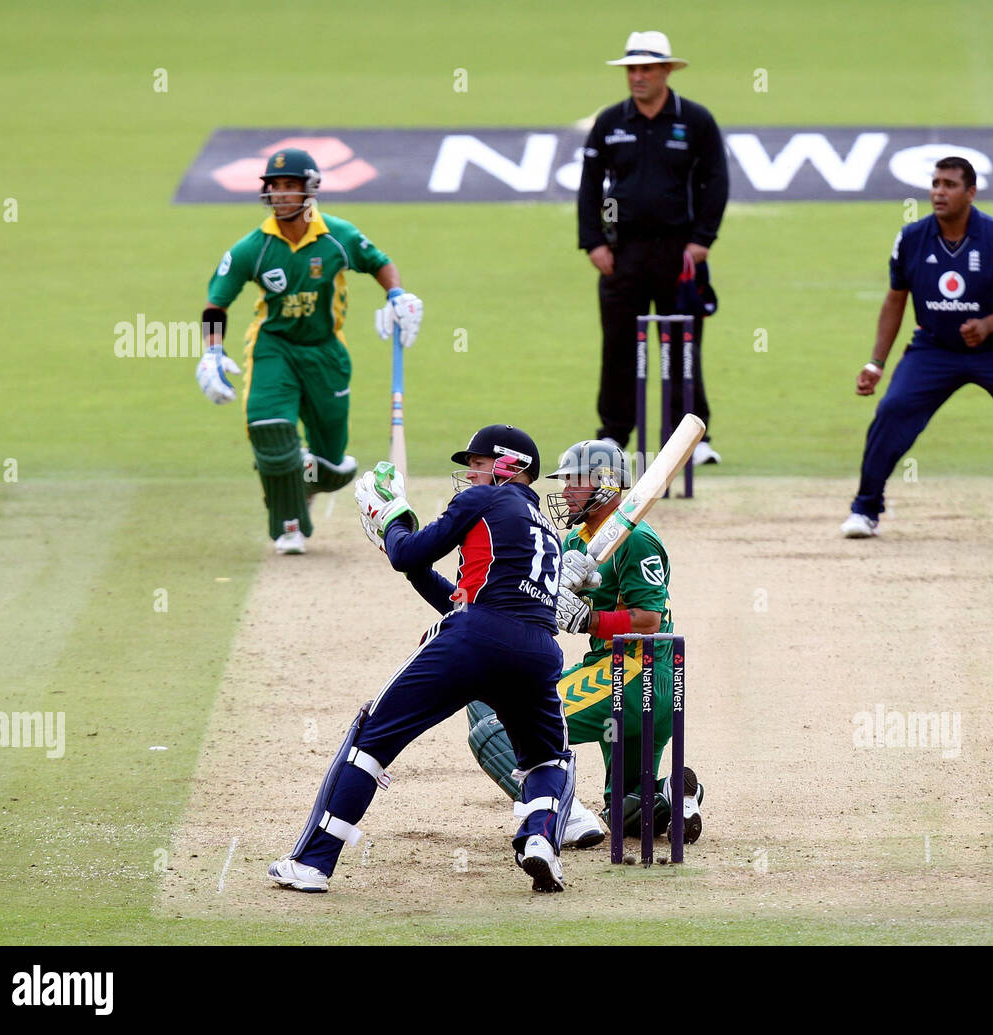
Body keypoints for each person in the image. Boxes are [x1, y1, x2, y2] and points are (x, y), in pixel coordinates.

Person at [268, 424, 576, 894]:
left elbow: (407, 552)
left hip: (473, 637)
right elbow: (449, 591)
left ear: (509, 466)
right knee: (549, 761)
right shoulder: (548, 536)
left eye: (477, 463)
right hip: (537, 652)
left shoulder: (484, 502)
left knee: (369, 740)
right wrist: (396, 543)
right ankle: (539, 841)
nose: (469, 474)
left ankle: (312, 864)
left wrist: (392, 517)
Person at [466, 440, 703, 849]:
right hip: (623, 677)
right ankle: (672, 794)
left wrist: (587, 619)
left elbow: (649, 621)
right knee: (625, 812)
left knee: (503, 729)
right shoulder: (577, 541)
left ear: (605, 484)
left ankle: (560, 815)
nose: (564, 491)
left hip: (634, 674)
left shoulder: (638, 540)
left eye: (574, 482)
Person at [841, 156, 993, 540]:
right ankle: (865, 509)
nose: (939, 192)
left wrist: (990, 324)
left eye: (950, 185)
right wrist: (875, 364)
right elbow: (895, 300)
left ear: (970, 193)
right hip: (934, 348)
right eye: (936, 183)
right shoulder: (910, 239)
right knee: (892, 410)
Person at [196, 146, 424, 554]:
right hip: (274, 348)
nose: (281, 194)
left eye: (290, 186)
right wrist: (212, 352)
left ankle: (307, 478)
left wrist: (397, 296)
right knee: (269, 431)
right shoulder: (255, 247)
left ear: (310, 189)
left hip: (326, 354)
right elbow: (216, 303)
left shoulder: (337, 236)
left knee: (332, 466)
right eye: (275, 186)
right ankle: (289, 524)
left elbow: (379, 262)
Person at [578, 30, 728, 465]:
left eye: (647, 68)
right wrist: (593, 243)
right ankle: (613, 436)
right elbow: (590, 187)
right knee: (620, 344)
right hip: (620, 255)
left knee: (680, 344)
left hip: (680, 254)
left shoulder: (695, 120)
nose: (638, 77)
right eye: (632, 69)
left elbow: (715, 181)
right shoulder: (610, 122)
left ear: (666, 70)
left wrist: (702, 240)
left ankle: (692, 438)